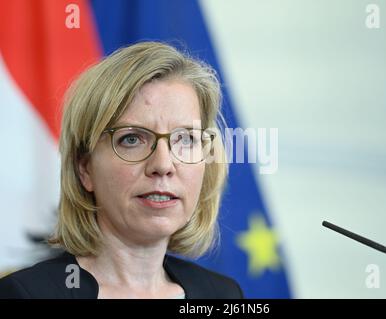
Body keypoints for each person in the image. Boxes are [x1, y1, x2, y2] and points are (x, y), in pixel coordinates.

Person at [0, 42, 243, 299]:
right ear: (85, 169)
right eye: (132, 139)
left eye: (185, 139)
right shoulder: (26, 295)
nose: (163, 165)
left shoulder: (223, 295)